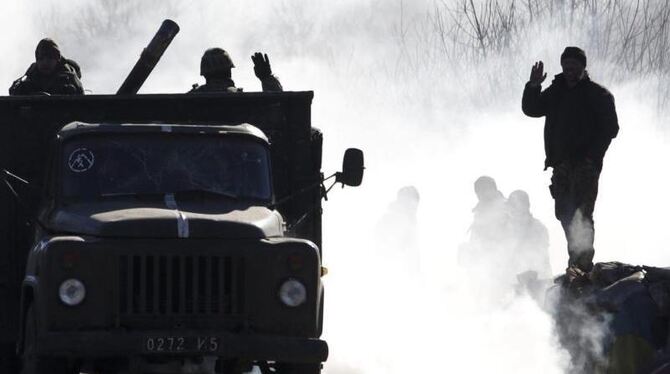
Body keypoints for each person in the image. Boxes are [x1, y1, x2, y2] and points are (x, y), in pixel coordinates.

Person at [522, 46, 619, 272]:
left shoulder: (598, 94)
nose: (569, 71)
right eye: (566, 66)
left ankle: (582, 266)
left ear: (583, 67)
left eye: (574, 66)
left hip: (585, 166)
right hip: (561, 165)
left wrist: (591, 157)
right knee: (564, 212)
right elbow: (532, 108)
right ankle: (576, 262)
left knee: (582, 215)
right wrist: (533, 86)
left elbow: (610, 128)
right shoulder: (557, 91)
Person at [9, 38, 84, 96]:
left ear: (57, 60)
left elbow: (82, 100)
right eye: (40, 59)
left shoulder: (68, 76)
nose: (45, 63)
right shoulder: (32, 73)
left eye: (50, 58)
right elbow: (13, 94)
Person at [190, 48, 282, 93]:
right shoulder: (239, 99)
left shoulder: (190, 99)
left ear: (205, 73)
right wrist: (266, 78)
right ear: (229, 71)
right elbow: (276, 106)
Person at [506, 190, 552, 278]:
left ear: (526, 205)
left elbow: (542, 257)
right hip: (512, 281)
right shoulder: (506, 229)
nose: (514, 209)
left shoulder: (538, 227)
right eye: (512, 205)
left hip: (537, 280)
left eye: (517, 205)